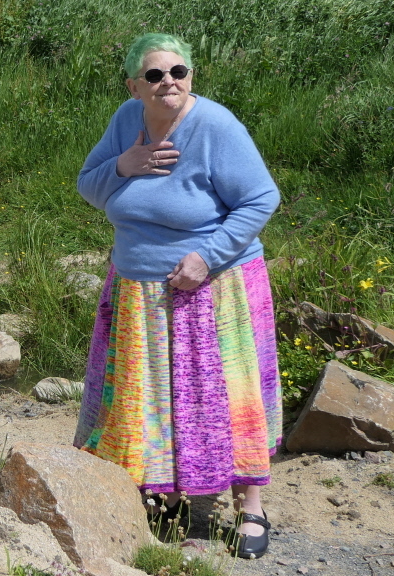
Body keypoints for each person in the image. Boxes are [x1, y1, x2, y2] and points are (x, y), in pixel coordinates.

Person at [73, 33, 281, 559]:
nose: (169, 82)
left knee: (223, 399)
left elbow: (261, 197)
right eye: (155, 75)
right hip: (135, 289)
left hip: (212, 286)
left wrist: (206, 258)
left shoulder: (214, 126)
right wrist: (127, 164)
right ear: (134, 86)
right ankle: (162, 497)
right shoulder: (127, 121)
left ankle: (249, 505)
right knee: (146, 399)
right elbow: (89, 187)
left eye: (179, 72)